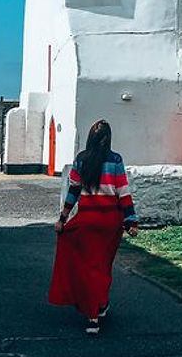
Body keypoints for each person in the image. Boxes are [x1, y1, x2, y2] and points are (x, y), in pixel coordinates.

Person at [48, 119, 138, 334]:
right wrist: (131, 221)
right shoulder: (116, 160)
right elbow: (122, 192)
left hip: (87, 220)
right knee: (102, 266)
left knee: (88, 267)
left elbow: (73, 191)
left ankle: (93, 313)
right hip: (109, 223)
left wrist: (63, 218)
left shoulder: (81, 160)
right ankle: (97, 307)